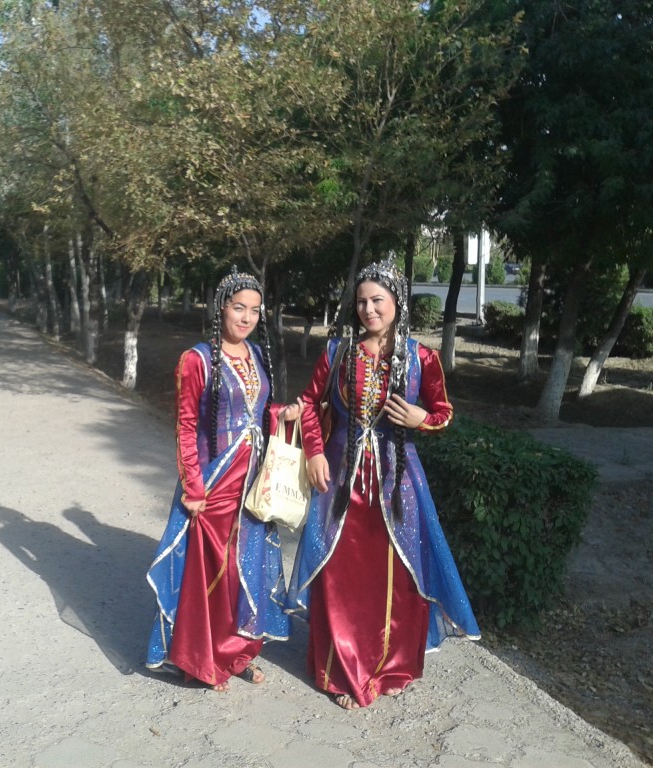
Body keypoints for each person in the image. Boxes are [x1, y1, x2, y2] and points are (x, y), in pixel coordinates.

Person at [287, 258, 480, 710]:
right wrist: (314, 449)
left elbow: (442, 411)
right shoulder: (338, 352)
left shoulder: (421, 357)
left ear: (397, 302)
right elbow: (312, 403)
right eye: (361, 301)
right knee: (340, 574)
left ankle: (388, 666)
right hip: (339, 481)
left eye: (378, 300)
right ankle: (341, 668)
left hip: (398, 482)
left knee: (397, 575)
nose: (369, 309)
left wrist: (422, 419)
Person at [145, 268, 302, 692]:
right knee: (211, 567)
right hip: (214, 482)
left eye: (254, 310)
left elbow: (256, 412)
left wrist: (282, 414)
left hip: (253, 480)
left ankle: (237, 653)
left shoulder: (255, 355)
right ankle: (201, 658)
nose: (247, 317)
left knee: (245, 569)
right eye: (238, 308)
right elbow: (185, 426)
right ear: (221, 309)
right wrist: (193, 489)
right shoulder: (196, 359)